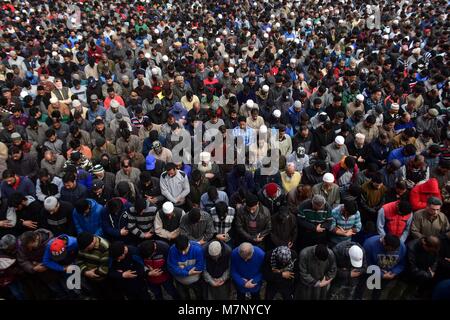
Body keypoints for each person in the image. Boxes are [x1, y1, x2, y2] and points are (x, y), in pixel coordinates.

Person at [363, 234, 407, 300]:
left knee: (378, 289)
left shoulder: (402, 247)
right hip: (372, 271)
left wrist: (394, 272)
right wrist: (380, 274)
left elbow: (402, 263)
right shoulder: (369, 244)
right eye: (390, 249)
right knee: (363, 285)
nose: (391, 252)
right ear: (383, 242)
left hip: (388, 274)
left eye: (394, 250)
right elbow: (366, 262)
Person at [167, 234, 204, 300]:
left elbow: (200, 267)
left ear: (188, 244)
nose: (183, 253)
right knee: (184, 297)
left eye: (185, 250)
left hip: (196, 281)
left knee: (199, 296)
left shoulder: (198, 249)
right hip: (180, 282)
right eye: (180, 250)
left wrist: (183, 268)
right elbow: (172, 268)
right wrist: (188, 273)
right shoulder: (172, 250)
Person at [76, 232, 111, 299]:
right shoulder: (83, 245)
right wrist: (86, 272)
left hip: (104, 281)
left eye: (87, 248)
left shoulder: (105, 247)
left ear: (92, 242)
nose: (85, 250)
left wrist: (91, 274)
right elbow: (79, 261)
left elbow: (104, 269)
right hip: (89, 279)